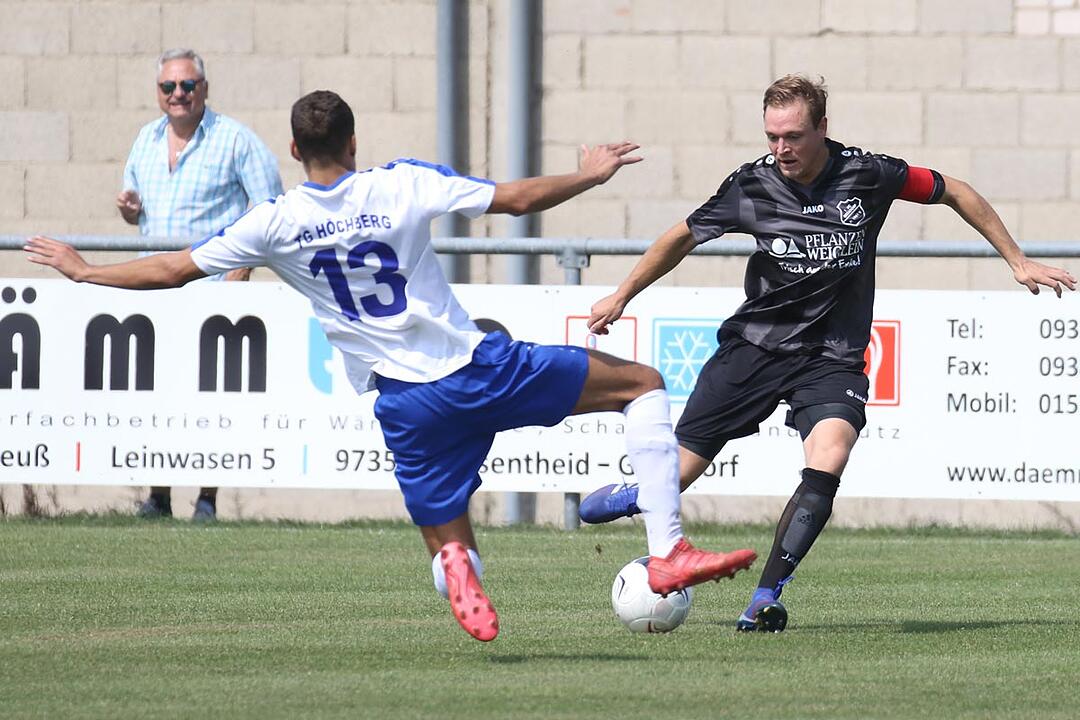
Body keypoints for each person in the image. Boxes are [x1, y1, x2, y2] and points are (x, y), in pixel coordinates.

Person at [26, 90, 757, 643]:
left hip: (406, 406)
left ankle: (457, 571)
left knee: (449, 544)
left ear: (293, 148)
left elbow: (176, 269)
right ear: (353, 140)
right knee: (642, 386)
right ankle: (666, 551)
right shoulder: (400, 183)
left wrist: (86, 273)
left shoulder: (275, 221)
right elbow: (515, 200)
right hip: (478, 370)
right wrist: (588, 174)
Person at [578, 74, 1076, 633]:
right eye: (772, 136)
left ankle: (764, 596)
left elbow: (954, 189)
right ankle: (640, 493)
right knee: (681, 473)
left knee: (830, 455)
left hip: (832, 356)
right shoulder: (752, 186)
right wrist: (622, 293)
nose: (781, 148)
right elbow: (682, 235)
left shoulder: (869, 174)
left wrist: (1017, 259)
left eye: (792, 135)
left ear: (821, 128)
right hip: (756, 347)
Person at [118, 48, 283, 521]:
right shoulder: (145, 140)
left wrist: (242, 267)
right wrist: (129, 210)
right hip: (157, 288)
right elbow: (136, 207)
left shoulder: (235, 140)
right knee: (158, 393)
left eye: (187, 86)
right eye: (169, 87)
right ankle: (159, 495)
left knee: (213, 398)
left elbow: (270, 207)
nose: (178, 95)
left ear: (204, 89)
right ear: (158, 93)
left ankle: (207, 497)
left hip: (214, 290)